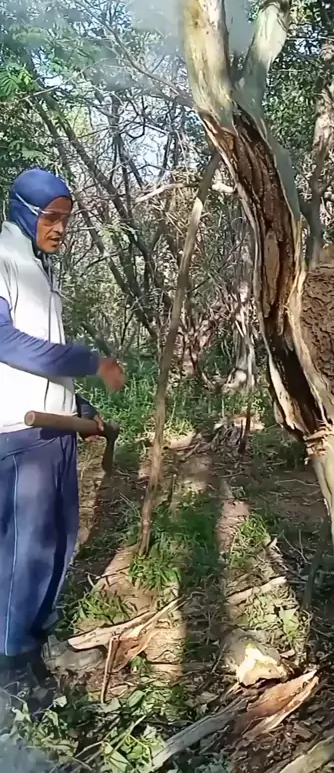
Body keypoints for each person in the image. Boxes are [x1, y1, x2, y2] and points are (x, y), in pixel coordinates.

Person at [0, 168, 125, 702]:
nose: (60, 228)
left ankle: (40, 640)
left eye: (66, 219)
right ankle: (11, 669)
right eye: (51, 217)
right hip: (18, 433)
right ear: (25, 211)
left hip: (55, 430)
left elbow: (42, 355)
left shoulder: (40, 269)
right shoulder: (4, 260)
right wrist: (90, 360)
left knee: (57, 542)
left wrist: (80, 407)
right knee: (22, 553)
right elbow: (6, 343)